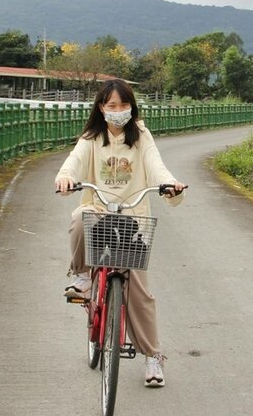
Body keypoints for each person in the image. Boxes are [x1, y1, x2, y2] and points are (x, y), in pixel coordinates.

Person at [55, 78, 186, 388]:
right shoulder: (91, 138)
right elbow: (73, 161)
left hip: (133, 220)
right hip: (99, 214)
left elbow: (156, 166)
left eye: (124, 105)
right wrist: (65, 177)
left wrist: (170, 185)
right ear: (101, 108)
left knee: (140, 295)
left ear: (132, 107)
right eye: (112, 105)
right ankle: (83, 277)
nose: (118, 111)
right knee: (80, 218)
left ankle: (152, 356)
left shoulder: (140, 136)